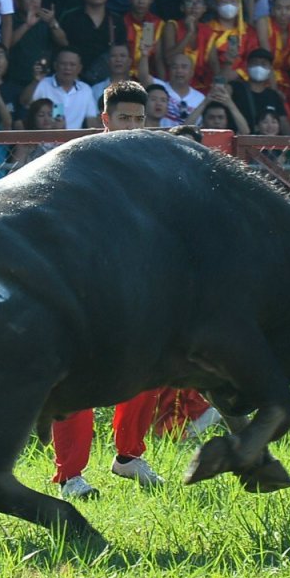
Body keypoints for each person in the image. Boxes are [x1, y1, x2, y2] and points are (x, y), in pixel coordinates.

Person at [50, 80, 167, 498]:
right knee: (77, 380)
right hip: (83, 287)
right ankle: (69, 476)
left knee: (148, 369)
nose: (133, 126)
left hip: (137, 286)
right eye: (124, 118)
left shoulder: (154, 165)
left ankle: (129, 457)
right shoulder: (76, 164)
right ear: (105, 120)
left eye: (139, 118)